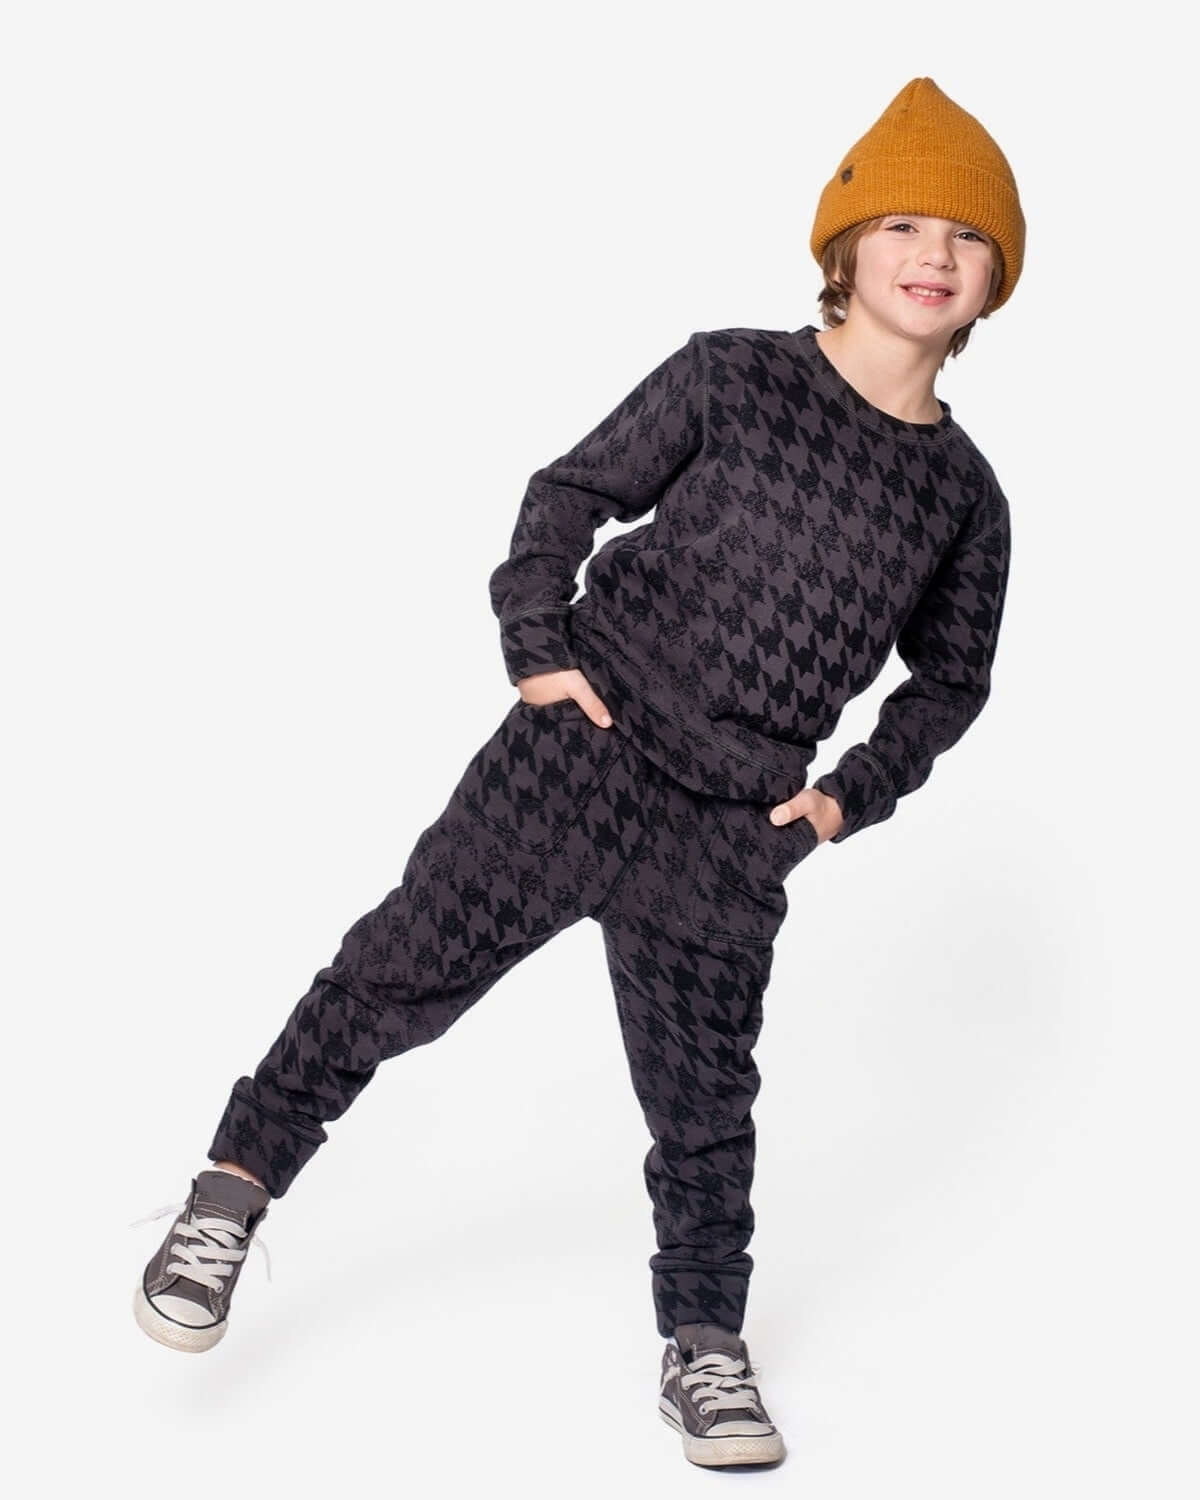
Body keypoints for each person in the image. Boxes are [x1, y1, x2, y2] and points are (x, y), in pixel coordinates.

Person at [130, 75, 1023, 1470]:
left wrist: (846, 796)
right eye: (904, 224)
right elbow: (572, 493)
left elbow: (950, 681)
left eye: (967, 238)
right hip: (581, 754)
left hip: (734, 826)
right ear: (844, 248)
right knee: (394, 972)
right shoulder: (730, 374)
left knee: (706, 1109)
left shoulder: (962, 496)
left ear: (993, 285)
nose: (933, 255)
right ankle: (228, 1196)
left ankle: (705, 1346)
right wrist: (538, 648)